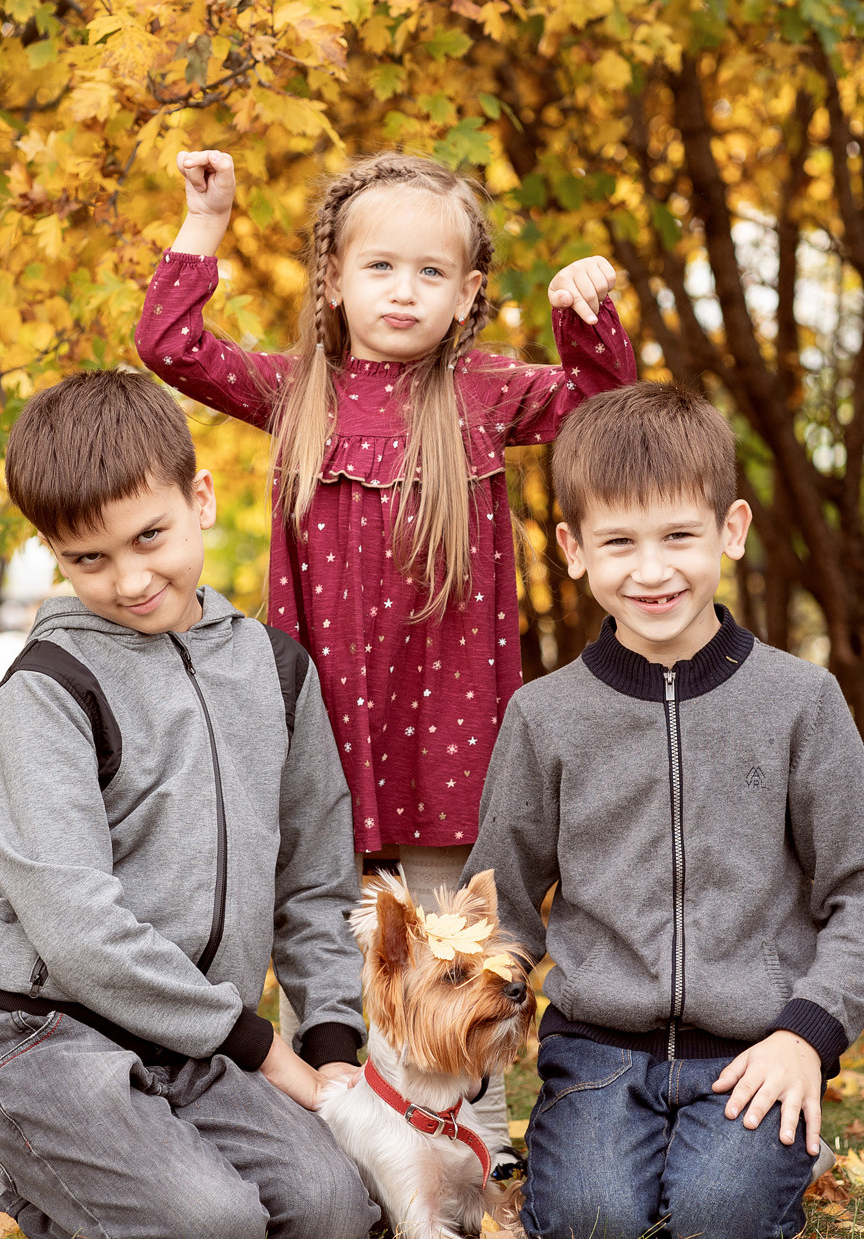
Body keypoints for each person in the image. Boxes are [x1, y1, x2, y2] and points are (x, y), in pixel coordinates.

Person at [135, 148, 636, 1169]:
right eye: (379, 268)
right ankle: (353, 1157)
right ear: (332, 279)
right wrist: (207, 220)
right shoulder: (295, 393)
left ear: (466, 295)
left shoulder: (484, 392)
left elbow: (600, 409)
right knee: (352, 947)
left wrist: (584, 312)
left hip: (456, 735)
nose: (403, 291)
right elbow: (170, 344)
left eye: (430, 273)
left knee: (458, 954)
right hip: (333, 734)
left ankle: (477, 1153)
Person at [463, 381, 864, 1239]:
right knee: (593, 1232)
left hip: (754, 1049)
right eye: (619, 542)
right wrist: (465, 1018)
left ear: (730, 531)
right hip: (597, 1050)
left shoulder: (799, 701)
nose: (652, 569)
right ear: (573, 550)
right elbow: (501, 902)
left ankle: (774, 1142)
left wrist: (806, 1034)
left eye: (679, 536)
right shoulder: (544, 715)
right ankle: (625, 1149)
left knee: (722, 1232)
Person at [0, 369, 376, 1239]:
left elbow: (317, 883)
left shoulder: (275, 669)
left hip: (191, 1042)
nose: (132, 580)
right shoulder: (51, 687)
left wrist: (332, 1046)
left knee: (336, 1213)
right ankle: (13, 1162)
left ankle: (120, 1150)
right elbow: (78, 929)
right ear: (55, 552)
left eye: (151, 537)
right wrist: (260, 1050)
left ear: (201, 498)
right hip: (45, 1030)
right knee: (212, 1236)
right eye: (89, 559)